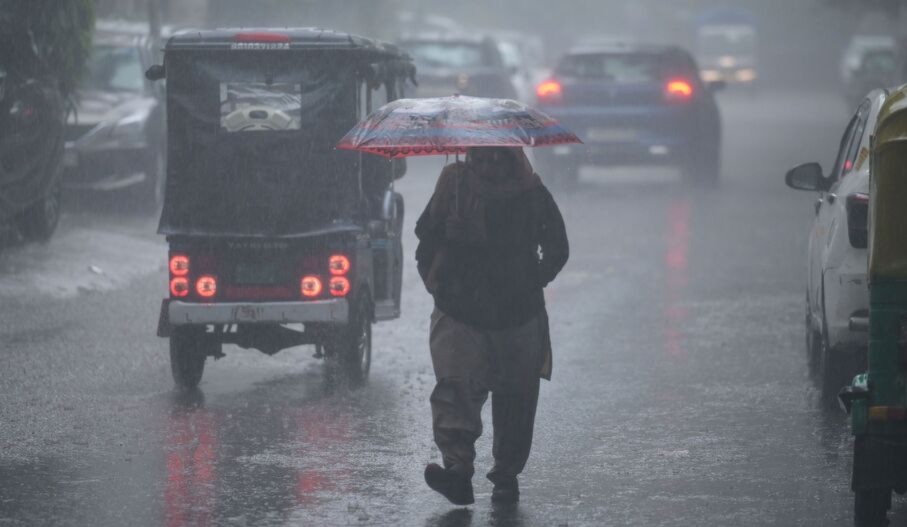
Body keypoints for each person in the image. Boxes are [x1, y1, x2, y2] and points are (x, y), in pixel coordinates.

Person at [415, 146, 569, 505]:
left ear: (510, 159)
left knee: (516, 396)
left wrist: (527, 279)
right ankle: (457, 471)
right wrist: (443, 262)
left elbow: (557, 248)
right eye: (479, 159)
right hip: (460, 309)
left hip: (516, 314)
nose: (486, 167)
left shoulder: (531, 195)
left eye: (495, 159)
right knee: (455, 388)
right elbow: (427, 239)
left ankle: (505, 473)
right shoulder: (453, 187)